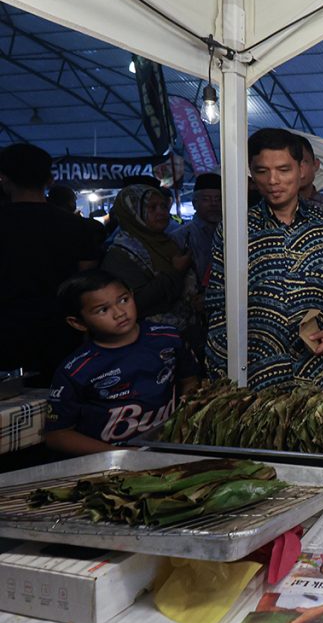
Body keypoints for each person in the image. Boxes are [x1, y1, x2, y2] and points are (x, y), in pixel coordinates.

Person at [206, 128, 323, 391]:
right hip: (256, 374)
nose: (273, 180)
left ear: (302, 170)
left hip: (319, 370)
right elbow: (218, 304)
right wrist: (222, 375)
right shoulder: (235, 230)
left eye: (284, 169)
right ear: (251, 173)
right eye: (262, 171)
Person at [44, 270, 199, 455]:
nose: (119, 313)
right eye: (103, 310)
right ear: (78, 323)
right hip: (111, 463)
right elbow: (57, 435)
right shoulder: (76, 370)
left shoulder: (168, 337)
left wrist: (184, 424)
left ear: (132, 295)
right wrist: (119, 455)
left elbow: (190, 381)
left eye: (124, 300)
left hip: (168, 449)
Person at [0, 143, 101, 385]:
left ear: (4, 179)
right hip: (62, 334)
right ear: (50, 180)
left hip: (6, 333)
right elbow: (88, 280)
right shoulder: (77, 227)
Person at [101, 184, 200, 350]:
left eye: (163, 206)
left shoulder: (168, 242)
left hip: (182, 337)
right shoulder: (121, 253)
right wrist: (175, 272)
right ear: (132, 213)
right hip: (148, 344)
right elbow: (135, 303)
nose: (161, 212)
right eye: (152, 208)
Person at [172, 173, 222, 285]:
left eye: (219, 199)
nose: (214, 204)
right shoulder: (181, 236)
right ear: (194, 203)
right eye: (206, 199)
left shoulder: (234, 234)